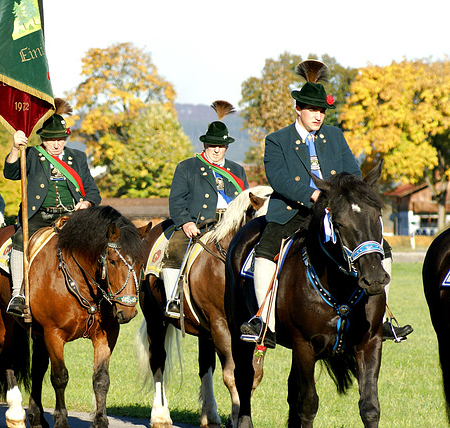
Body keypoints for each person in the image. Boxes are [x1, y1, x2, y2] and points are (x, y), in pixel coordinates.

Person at [240, 59, 413, 348]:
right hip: (293, 212)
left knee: (382, 249)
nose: (318, 116)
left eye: (322, 111)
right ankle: (264, 322)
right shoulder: (277, 140)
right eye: (312, 110)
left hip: (336, 211)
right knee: (265, 249)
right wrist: (314, 195)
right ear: (298, 109)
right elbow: (279, 179)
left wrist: (350, 198)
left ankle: (381, 319)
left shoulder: (334, 135)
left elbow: (354, 174)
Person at [3, 98, 101, 320]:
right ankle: (17, 293)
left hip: (72, 217)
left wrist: (86, 203)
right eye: (51, 140)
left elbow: (93, 191)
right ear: (43, 141)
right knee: (19, 240)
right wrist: (14, 147)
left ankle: (100, 292)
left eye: (60, 139)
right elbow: (10, 173)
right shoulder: (31, 154)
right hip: (40, 216)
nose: (56, 144)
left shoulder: (78, 157)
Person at [164, 100, 248, 317]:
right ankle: (173, 299)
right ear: (204, 145)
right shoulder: (187, 167)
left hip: (232, 225)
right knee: (174, 249)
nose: (217, 150)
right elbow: (176, 200)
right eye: (212, 145)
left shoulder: (237, 169)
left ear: (227, 146)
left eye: (220, 146)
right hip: (200, 224)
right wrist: (185, 222)